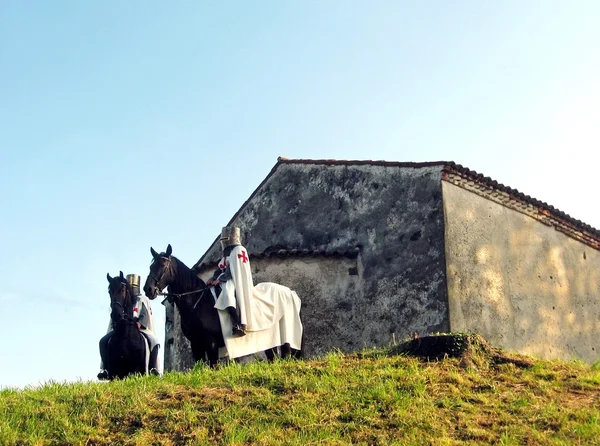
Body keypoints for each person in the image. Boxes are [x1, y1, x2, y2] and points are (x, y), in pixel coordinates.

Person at [98, 273, 161, 380]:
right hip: (121, 328)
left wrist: (140, 323)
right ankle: (105, 369)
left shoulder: (142, 299)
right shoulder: (121, 300)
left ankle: (153, 368)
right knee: (103, 341)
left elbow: (145, 314)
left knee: (154, 341)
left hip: (140, 329)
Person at [207, 226, 255, 337]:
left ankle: (237, 323)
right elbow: (220, 269)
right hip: (225, 280)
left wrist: (219, 280)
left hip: (235, 280)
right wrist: (213, 279)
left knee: (228, 294)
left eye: (226, 240)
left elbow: (232, 271)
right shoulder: (227, 256)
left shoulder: (239, 250)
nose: (224, 243)